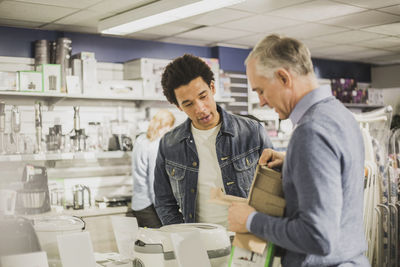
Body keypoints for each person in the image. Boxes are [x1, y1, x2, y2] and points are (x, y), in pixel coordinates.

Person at [228, 34, 370, 266]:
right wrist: (292, 164)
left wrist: (250, 221)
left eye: (261, 90)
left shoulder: (310, 132)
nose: (261, 101)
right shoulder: (340, 115)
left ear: (284, 77)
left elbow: (318, 236)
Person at [154, 54, 273, 227]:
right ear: (178, 106)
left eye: (203, 96)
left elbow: (274, 191)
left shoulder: (252, 132)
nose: (200, 109)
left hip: (247, 240)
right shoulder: (169, 144)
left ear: (212, 88)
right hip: (198, 244)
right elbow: (164, 203)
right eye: (188, 104)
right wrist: (184, 238)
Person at [131, 109, 175, 228]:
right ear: (166, 126)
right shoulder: (155, 145)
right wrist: (164, 211)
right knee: (161, 244)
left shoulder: (141, 140)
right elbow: (155, 182)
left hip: (137, 204)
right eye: (170, 127)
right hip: (149, 206)